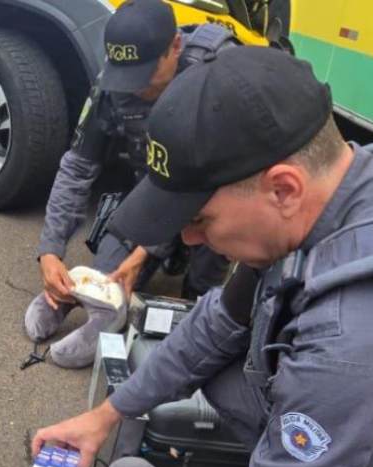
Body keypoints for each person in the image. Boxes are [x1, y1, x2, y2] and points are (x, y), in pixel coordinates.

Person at [32, 46, 373, 467]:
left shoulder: (356, 342)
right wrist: (107, 414)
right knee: (212, 367)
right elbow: (212, 326)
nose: (189, 239)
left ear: (283, 189)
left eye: (199, 218)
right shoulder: (362, 183)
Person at [24, 0, 235, 368]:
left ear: (175, 47)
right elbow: (76, 169)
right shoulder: (113, 82)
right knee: (107, 280)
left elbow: (217, 182)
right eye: (127, 76)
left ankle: (199, 297)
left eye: (144, 76)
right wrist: (50, 250)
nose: (133, 88)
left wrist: (145, 253)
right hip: (150, 193)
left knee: (203, 295)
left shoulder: (214, 78)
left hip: (210, 196)